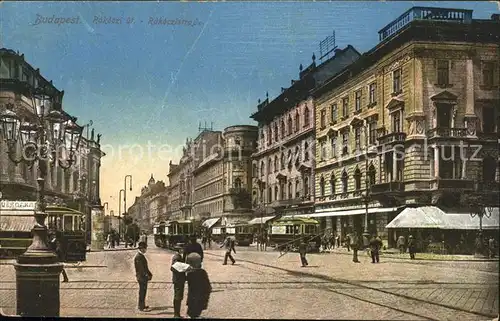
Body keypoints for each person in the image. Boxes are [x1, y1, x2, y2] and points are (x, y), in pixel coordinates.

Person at [185, 253, 212, 319]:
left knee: (191, 311)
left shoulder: (189, 273)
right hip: (200, 296)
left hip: (192, 296)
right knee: (197, 310)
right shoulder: (202, 272)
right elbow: (207, 284)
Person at [134, 241, 152, 312]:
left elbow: (145, 268)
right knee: (142, 292)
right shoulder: (139, 257)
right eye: (145, 248)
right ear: (141, 249)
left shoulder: (141, 256)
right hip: (142, 277)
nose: (146, 250)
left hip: (143, 277)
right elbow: (141, 269)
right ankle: (141, 307)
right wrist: (147, 275)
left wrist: (150, 273)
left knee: (143, 291)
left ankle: (142, 305)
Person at [171, 248, 187, 318]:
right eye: (182, 248)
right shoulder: (177, 257)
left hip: (179, 279)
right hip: (178, 280)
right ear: (180, 249)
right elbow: (173, 268)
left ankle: (177, 314)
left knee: (178, 297)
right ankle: (176, 315)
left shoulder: (178, 256)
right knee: (178, 297)